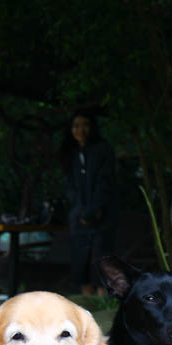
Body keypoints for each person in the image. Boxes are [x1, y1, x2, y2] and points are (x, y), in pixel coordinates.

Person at [59, 109, 117, 296]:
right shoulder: (69, 153)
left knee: (101, 256)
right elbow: (69, 185)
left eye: (85, 125)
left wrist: (95, 209)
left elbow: (105, 181)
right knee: (80, 258)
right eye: (76, 126)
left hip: (102, 214)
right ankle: (86, 304)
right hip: (79, 215)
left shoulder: (103, 149)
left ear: (92, 127)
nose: (80, 129)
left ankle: (102, 300)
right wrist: (81, 211)